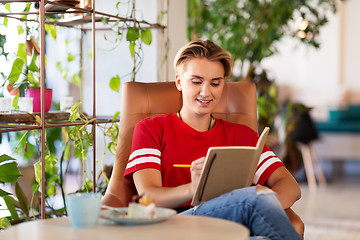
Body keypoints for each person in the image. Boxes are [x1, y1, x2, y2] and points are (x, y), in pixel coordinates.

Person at [124, 40, 303, 239]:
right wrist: (192, 190)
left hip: (234, 223)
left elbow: (290, 187)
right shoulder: (151, 129)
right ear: (179, 82)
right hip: (178, 223)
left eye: (215, 83)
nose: (206, 92)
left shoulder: (242, 136)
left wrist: (263, 202)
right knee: (255, 197)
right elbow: (148, 196)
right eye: (196, 81)